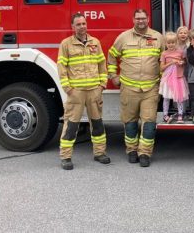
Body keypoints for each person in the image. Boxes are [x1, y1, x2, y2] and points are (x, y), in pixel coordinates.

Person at [107, 9, 164, 167]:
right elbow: (111, 56)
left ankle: (145, 153)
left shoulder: (158, 37)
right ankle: (131, 150)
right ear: (133, 19)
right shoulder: (123, 38)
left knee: (149, 122)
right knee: (130, 121)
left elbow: (164, 59)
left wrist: (163, 80)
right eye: (138, 18)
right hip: (129, 88)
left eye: (143, 18)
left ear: (148, 19)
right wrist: (114, 77)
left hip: (151, 88)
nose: (141, 21)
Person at [57, 13, 110, 170]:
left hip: (94, 90)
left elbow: (102, 64)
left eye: (84, 23)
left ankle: (100, 153)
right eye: (78, 24)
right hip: (77, 92)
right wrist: (68, 88)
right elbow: (62, 67)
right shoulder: (66, 44)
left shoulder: (95, 43)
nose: (82, 26)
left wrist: (102, 85)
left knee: (98, 124)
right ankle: (66, 157)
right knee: (71, 125)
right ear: (72, 27)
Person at [159, 32, 188, 124]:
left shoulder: (180, 52)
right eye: (169, 43)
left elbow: (185, 61)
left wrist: (182, 62)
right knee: (166, 97)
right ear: (165, 43)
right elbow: (161, 68)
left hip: (178, 77)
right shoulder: (164, 53)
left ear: (176, 42)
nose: (171, 45)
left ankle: (180, 114)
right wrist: (171, 62)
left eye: (173, 42)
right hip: (168, 78)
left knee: (179, 96)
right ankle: (165, 115)